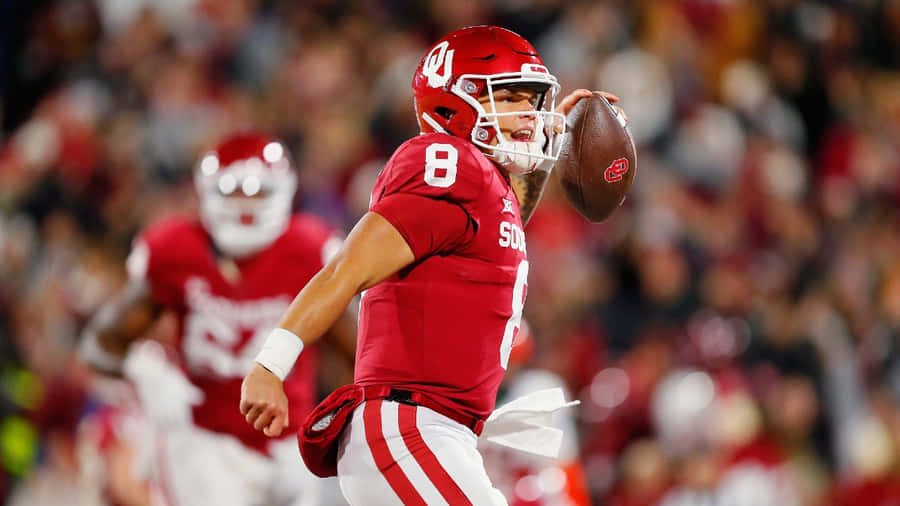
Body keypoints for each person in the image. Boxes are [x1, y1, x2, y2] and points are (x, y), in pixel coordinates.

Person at [240, 25, 625, 505]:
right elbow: (347, 269)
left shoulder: (485, 186)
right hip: (409, 429)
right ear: (453, 105)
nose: (529, 114)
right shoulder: (446, 162)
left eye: (533, 100)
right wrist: (270, 366)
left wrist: (547, 158)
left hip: (435, 432)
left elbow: (493, 233)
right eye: (509, 99)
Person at [79, 131, 356, 506]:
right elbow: (100, 341)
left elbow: (359, 353)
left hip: (292, 441)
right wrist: (145, 370)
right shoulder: (175, 249)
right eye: (233, 191)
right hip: (206, 440)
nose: (246, 204)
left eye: (259, 191)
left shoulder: (309, 250)